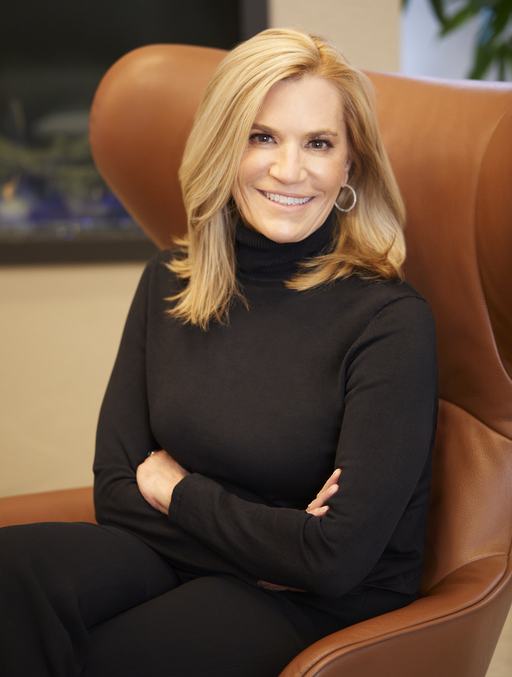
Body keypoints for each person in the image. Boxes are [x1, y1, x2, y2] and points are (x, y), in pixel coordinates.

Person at [0, 27, 438, 677]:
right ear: (223, 145)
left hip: (324, 604)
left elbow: (335, 559)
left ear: (351, 164)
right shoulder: (170, 283)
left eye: (318, 143)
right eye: (262, 136)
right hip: (215, 560)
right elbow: (117, 493)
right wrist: (280, 537)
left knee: (111, 659)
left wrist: (176, 491)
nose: (290, 170)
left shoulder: (389, 322)